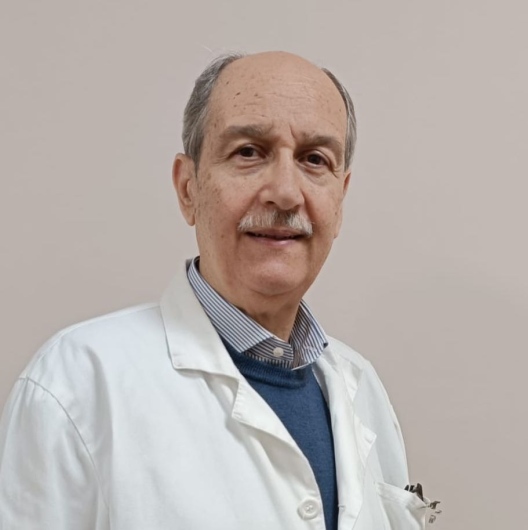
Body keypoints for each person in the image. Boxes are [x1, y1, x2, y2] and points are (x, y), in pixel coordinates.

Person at [0, 51, 429, 529]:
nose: (286, 192)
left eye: (314, 160)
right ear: (188, 188)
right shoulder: (77, 383)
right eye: (249, 152)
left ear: (340, 198)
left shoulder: (362, 385)